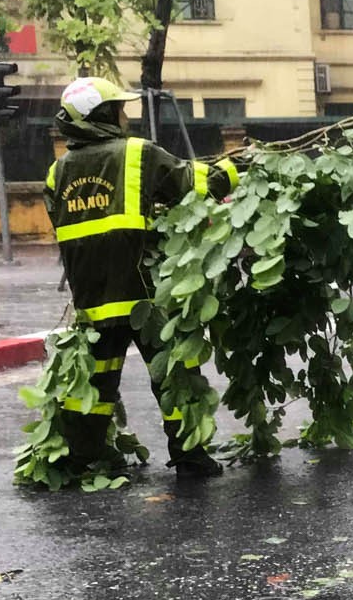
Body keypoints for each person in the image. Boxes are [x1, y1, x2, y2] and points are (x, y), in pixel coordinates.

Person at [43, 77, 240, 478]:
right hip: (144, 293)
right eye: (119, 108)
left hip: (92, 299)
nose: (125, 114)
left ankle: (83, 457)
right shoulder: (137, 154)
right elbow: (193, 185)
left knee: (96, 384)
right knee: (173, 375)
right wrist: (237, 168)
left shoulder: (56, 172)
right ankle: (190, 456)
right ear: (103, 115)